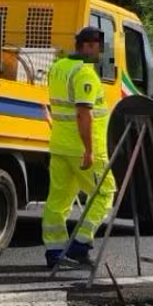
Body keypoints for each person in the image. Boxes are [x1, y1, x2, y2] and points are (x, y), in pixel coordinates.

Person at [42, 26, 117, 268]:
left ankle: (55, 252)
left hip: (59, 146)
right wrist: (89, 149)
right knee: (104, 192)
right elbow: (83, 114)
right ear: (87, 46)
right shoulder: (85, 73)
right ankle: (80, 246)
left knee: (58, 200)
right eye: (98, 47)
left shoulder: (58, 67)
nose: (100, 53)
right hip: (82, 149)